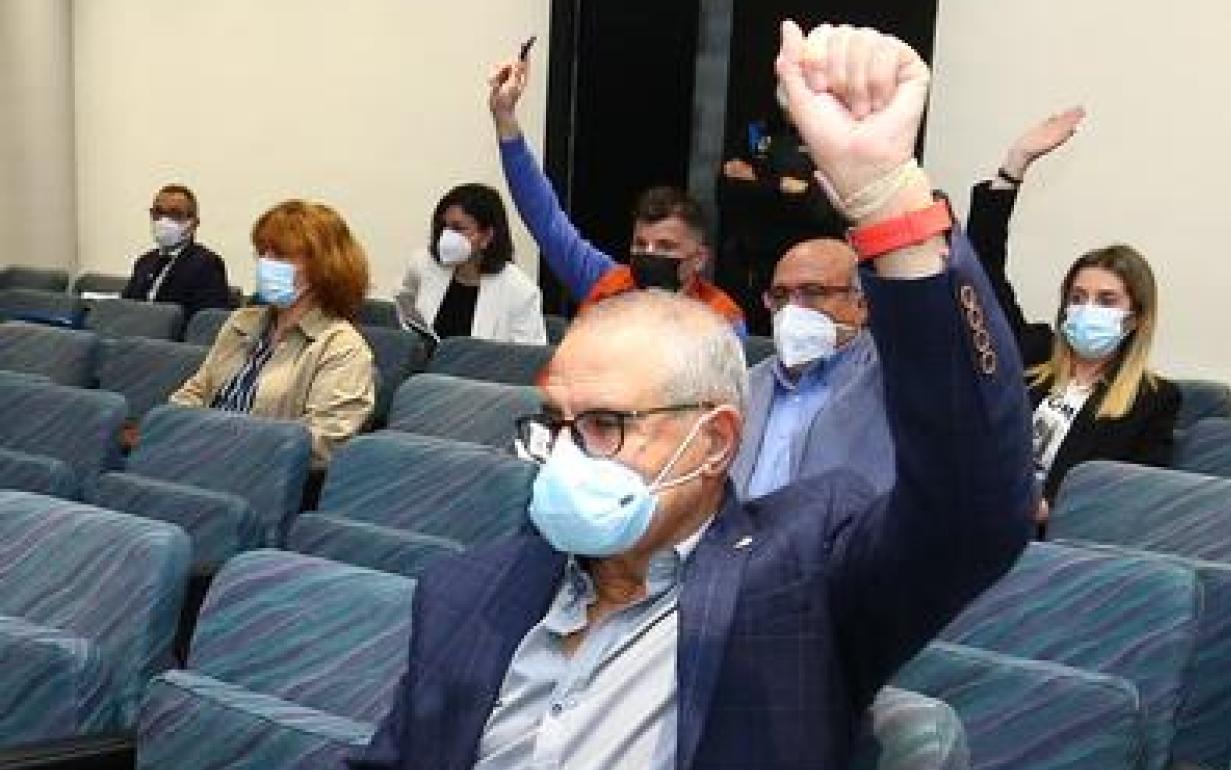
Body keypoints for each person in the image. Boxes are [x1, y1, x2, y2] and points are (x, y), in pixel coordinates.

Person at [348, 23, 1034, 770]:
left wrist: (888, 202)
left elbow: (975, 506)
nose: (567, 458)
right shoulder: (468, 592)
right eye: (557, 426)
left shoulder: (800, 582)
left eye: (605, 424)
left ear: (711, 441)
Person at [967, 107, 1180, 521]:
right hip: (978, 522)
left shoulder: (1153, 400)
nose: (1087, 309)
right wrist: (1014, 167)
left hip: (1050, 543)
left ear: (1135, 317)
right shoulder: (1034, 355)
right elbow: (982, 274)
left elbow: (1129, 503)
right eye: (1077, 296)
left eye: (1107, 300)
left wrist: (1052, 509)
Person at [487, 57, 748, 337]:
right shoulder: (606, 280)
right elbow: (545, 218)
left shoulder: (720, 318)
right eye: (640, 243)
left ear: (699, 259)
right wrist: (505, 118)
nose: (649, 254)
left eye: (665, 246)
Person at [170, 200, 375, 468]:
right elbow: (196, 391)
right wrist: (177, 431)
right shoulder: (242, 322)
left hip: (261, 477)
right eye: (263, 252)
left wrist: (224, 446)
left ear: (323, 266)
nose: (265, 263)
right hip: (197, 456)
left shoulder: (342, 347)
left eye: (280, 254)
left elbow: (325, 442)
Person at [731, 237, 892, 499]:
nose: (793, 309)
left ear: (861, 305)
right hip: (741, 536)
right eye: (780, 296)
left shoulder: (890, 382)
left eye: (813, 292)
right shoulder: (742, 387)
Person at [718, 85, 851, 334]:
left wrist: (759, 180)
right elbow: (729, 190)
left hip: (819, 270)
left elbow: (821, 207)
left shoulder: (839, 138)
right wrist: (782, 185)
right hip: (757, 266)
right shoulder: (758, 132)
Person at [395, 183, 546, 344]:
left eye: (458, 228)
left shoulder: (520, 290)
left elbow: (530, 358)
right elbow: (404, 311)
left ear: (487, 236)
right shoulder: (422, 264)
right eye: (443, 227)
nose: (447, 236)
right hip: (425, 367)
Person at [121, 183, 232, 319]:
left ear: (193, 223)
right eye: (158, 212)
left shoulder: (207, 264)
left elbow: (204, 323)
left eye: (175, 214)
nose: (164, 220)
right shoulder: (144, 262)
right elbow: (125, 308)